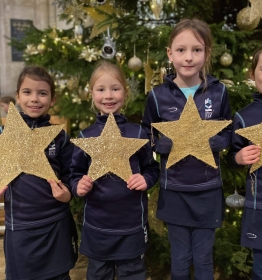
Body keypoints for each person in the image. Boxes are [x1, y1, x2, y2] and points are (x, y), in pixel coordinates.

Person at [142, 18, 232, 280]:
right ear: (170, 53)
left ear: (207, 53)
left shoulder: (219, 92)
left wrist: (215, 142)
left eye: (197, 49)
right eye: (181, 50)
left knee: (204, 258)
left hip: (208, 189)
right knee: (180, 258)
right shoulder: (157, 96)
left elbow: (227, 131)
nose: (189, 57)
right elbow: (148, 136)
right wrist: (164, 145)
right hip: (175, 191)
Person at [69, 61, 159, 280]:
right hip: (97, 226)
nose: (108, 95)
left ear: (125, 93)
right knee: (98, 274)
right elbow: (74, 174)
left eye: (115, 88)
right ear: (92, 94)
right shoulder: (85, 137)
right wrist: (78, 186)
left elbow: (152, 168)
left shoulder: (138, 133)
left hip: (132, 226)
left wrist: (146, 180)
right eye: (101, 89)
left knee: (133, 274)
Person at [0, 65, 78, 279]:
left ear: (52, 99)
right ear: (17, 96)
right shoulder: (6, 137)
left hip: (56, 225)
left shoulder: (60, 138)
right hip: (21, 228)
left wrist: (68, 193)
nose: (34, 98)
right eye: (27, 92)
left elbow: (73, 174)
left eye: (42, 93)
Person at [227, 39, 262, 280]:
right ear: (253, 73)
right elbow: (231, 158)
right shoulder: (244, 116)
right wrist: (238, 157)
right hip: (261, 209)